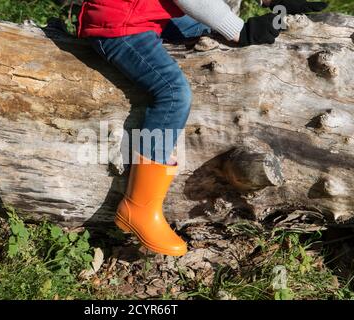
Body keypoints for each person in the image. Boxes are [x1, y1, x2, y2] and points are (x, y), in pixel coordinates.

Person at [77, 0, 328, 256]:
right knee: (173, 94)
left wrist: (274, 4)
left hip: (150, 12)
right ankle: (137, 207)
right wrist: (237, 28)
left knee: (208, 29)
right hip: (119, 24)